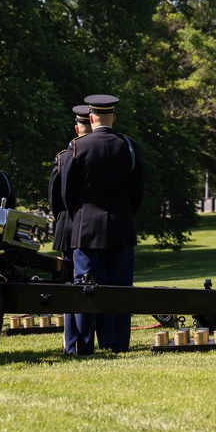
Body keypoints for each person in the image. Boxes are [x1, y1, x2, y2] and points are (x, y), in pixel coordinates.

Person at [61, 94, 144, 354]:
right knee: (121, 288)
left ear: (92, 117)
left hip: (86, 229)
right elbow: (137, 190)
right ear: (113, 117)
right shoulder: (128, 146)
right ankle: (118, 344)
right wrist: (125, 215)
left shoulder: (77, 147)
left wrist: (80, 218)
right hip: (121, 227)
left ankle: (84, 346)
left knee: (85, 288)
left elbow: (67, 192)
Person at [49, 104, 94, 355]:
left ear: (77, 128)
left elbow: (55, 198)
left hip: (69, 227)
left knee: (71, 287)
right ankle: (85, 342)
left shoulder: (64, 157)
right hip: (89, 228)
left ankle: (71, 344)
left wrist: (64, 219)